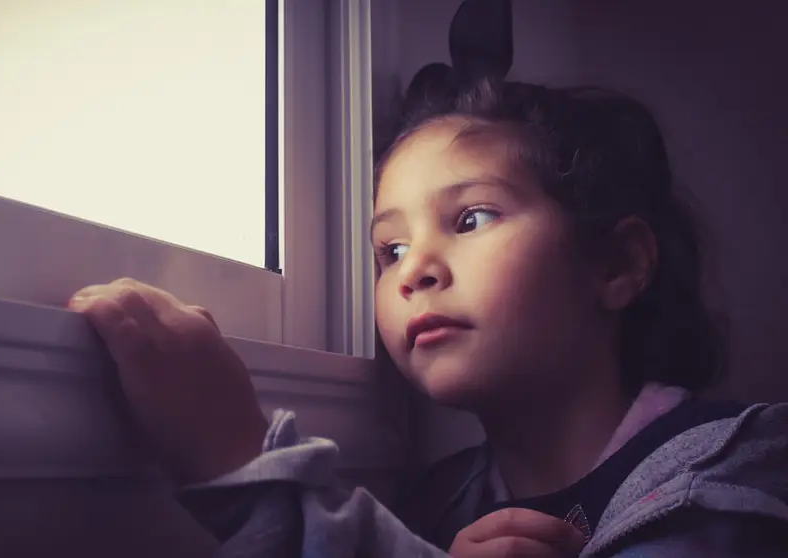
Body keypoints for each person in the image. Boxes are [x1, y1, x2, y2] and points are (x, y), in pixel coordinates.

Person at [66, 78, 788, 557]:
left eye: (471, 217)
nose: (414, 269)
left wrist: (243, 462)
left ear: (616, 266)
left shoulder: (733, 473)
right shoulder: (435, 502)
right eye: (391, 249)